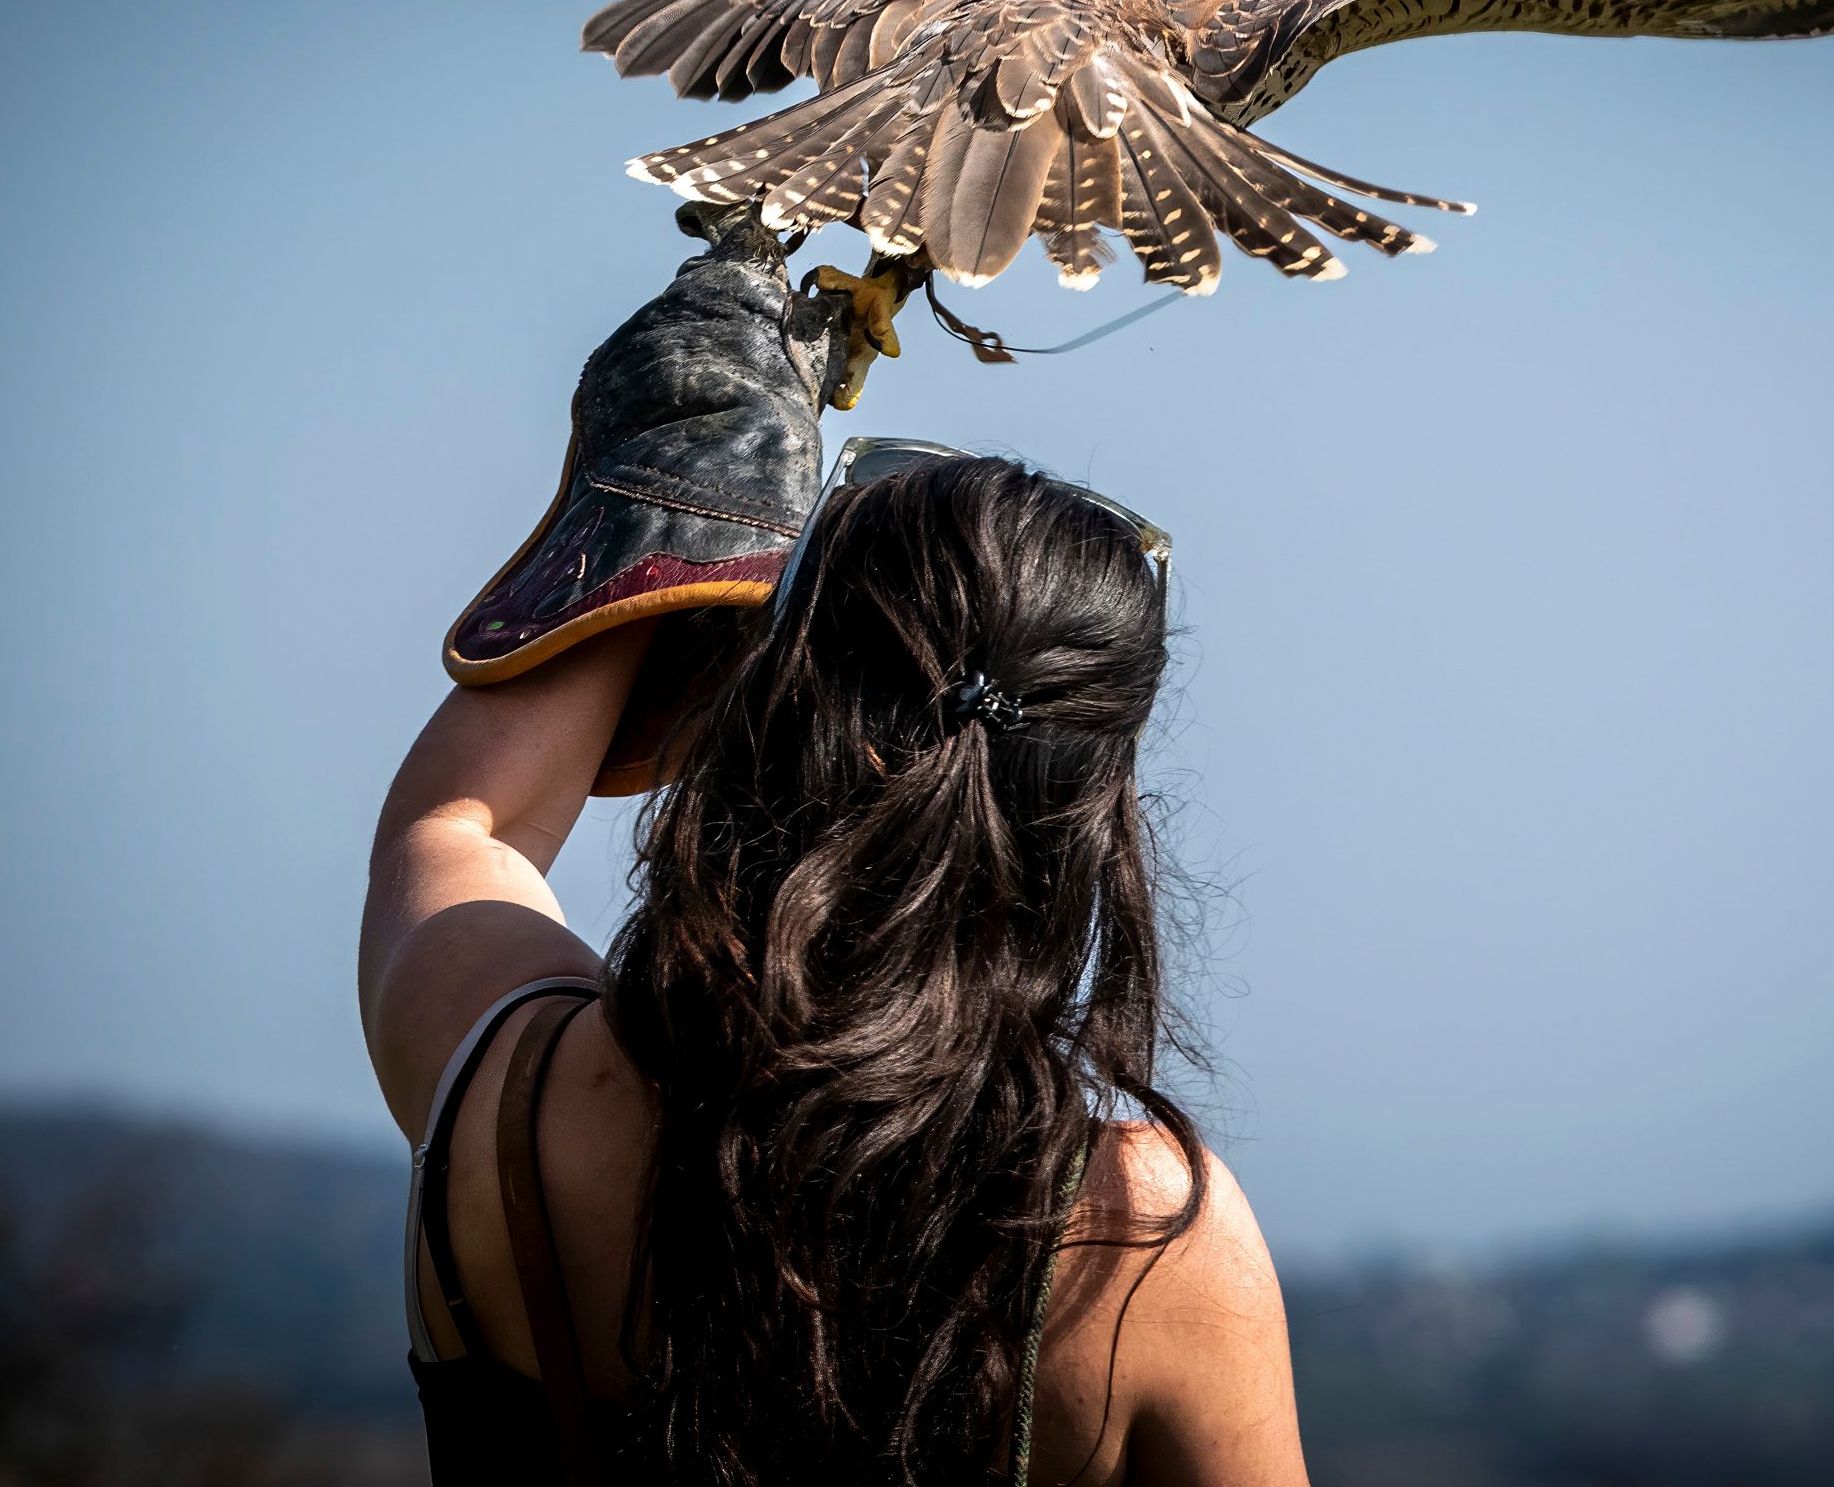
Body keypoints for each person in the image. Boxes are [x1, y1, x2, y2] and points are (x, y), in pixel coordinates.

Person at [358, 205, 1308, 1484]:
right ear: (1086, 807)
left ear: (777, 705)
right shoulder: (1140, 1249)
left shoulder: (508, 1096)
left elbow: (462, 823)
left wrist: (684, 495)